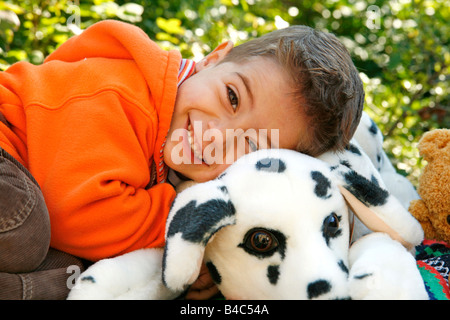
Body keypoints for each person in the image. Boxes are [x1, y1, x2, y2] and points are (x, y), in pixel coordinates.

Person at [0, 19, 363, 299]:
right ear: (214, 59)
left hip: (30, 186)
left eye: (251, 146)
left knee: (69, 274)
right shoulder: (127, 95)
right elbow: (79, 213)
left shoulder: (173, 142)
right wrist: (195, 236)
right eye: (232, 98)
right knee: (26, 227)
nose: (217, 135)